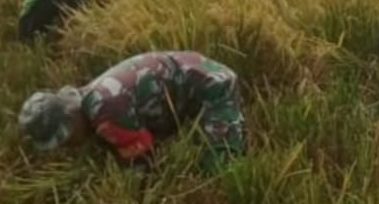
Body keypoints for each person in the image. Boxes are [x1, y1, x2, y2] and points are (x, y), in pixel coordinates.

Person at [18, 51, 244, 171]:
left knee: (219, 167)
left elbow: (144, 162)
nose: (68, 146)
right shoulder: (90, 97)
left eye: (66, 139)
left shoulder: (104, 112)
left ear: (71, 116)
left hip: (212, 85)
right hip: (191, 79)